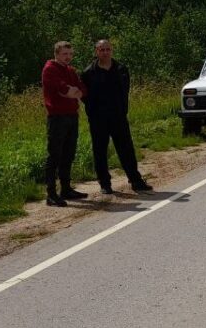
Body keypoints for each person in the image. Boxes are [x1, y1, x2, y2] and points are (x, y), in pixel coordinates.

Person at [81, 39, 153, 196]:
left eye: (107, 49)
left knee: (126, 149)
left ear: (111, 50)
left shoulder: (121, 69)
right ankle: (105, 184)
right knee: (100, 151)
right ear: (96, 52)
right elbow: (85, 96)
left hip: (118, 117)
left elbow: (124, 91)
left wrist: (122, 110)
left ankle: (136, 181)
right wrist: (93, 112)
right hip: (98, 119)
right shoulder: (88, 73)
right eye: (101, 50)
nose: (105, 52)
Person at [41, 41, 87, 207]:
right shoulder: (50, 69)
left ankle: (66, 189)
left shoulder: (70, 70)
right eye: (64, 54)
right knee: (55, 155)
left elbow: (82, 89)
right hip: (57, 117)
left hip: (72, 116)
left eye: (70, 54)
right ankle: (51, 194)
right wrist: (70, 91)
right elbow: (61, 88)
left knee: (69, 153)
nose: (68, 57)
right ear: (56, 54)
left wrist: (72, 91)